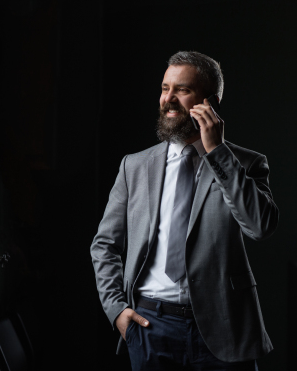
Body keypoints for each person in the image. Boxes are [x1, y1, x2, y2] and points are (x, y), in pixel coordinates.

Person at [91, 51, 279, 370]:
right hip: (150, 326)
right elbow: (105, 245)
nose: (169, 99)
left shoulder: (247, 164)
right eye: (165, 89)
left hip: (225, 328)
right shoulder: (134, 167)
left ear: (211, 103)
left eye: (182, 90)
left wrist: (217, 152)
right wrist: (117, 310)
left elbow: (260, 226)